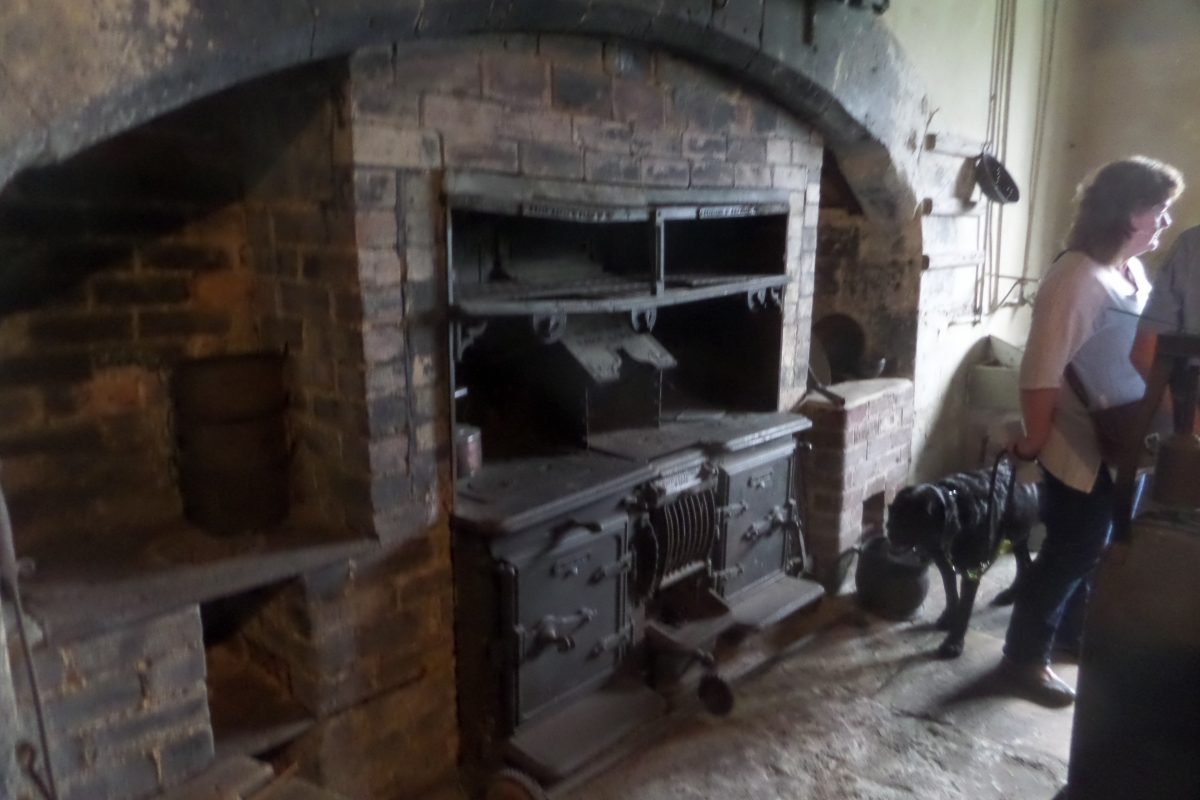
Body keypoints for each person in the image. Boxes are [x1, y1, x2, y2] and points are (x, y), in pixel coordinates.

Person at [1004, 156, 1184, 707]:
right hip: (1077, 444)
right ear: (1127, 212)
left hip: (1119, 440)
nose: (1166, 221)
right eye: (1159, 209)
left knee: (1093, 547)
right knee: (1070, 551)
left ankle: (1066, 635)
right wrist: (1034, 442)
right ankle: (1023, 657)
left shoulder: (1127, 270)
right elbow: (1040, 370)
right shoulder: (1076, 276)